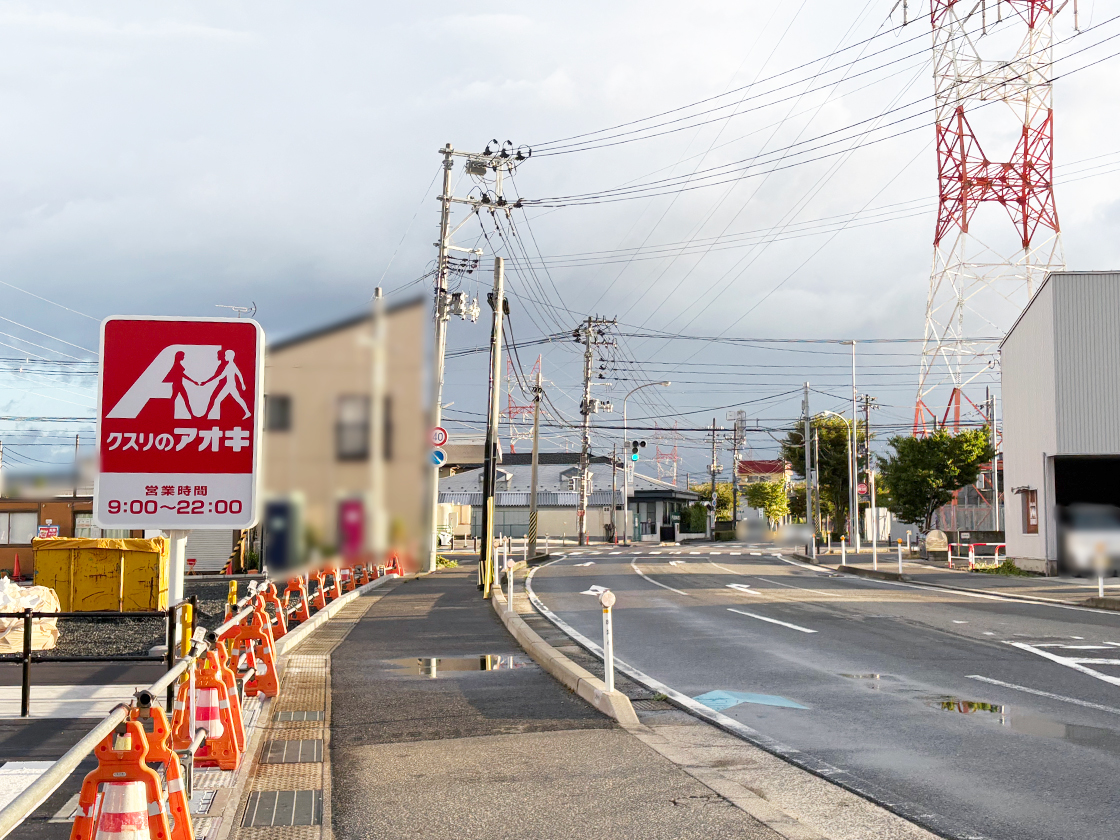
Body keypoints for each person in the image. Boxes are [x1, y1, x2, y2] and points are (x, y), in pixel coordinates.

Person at [198, 348, 250, 419]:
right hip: (228, 385)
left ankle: (210, 416)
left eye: (225, 355)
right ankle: (247, 412)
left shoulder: (231, 365)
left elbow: (238, 374)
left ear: (229, 356)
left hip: (230, 385)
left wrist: (242, 384)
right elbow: (221, 376)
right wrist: (207, 382)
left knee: (220, 399)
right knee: (230, 399)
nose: (224, 357)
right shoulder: (228, 365)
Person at [164, 351, 198, 417]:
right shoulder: (177, 365)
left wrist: (193, 381)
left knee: (176, 399)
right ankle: (191, 415)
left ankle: (191, 415)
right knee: (183, 399)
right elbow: (183, 375)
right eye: (182, 356)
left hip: (178, 384)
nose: (183, 357)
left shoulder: (177, 364)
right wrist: (193, 381)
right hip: (178, 385)